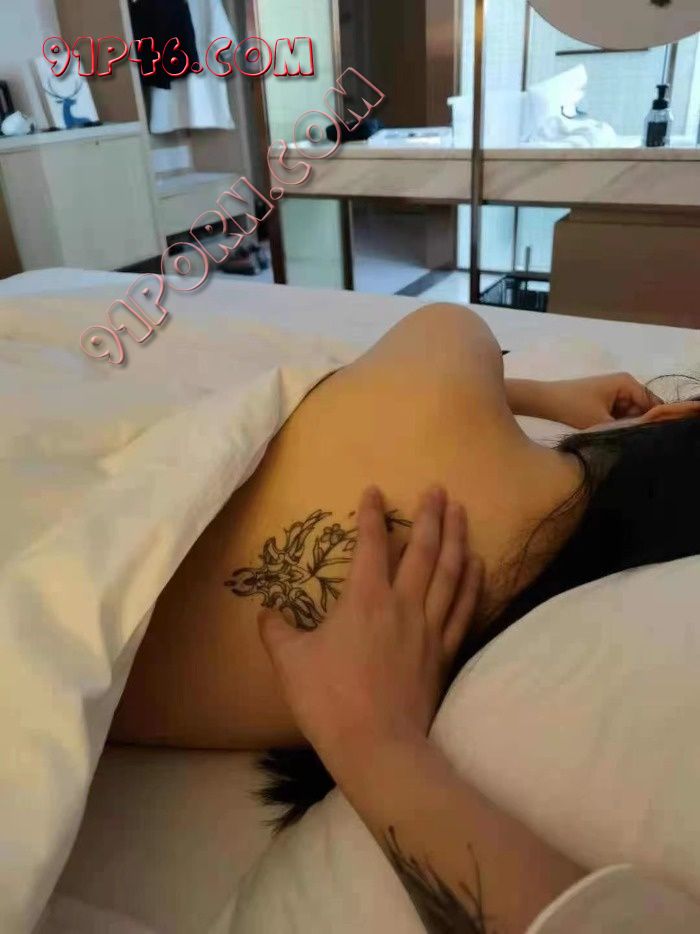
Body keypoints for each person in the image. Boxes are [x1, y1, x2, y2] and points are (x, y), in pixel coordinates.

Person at [110, 301, 700, 755]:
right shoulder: (524, 651)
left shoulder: (450, 347)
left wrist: (540, 394)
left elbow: (353, 389)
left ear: (674, 415)